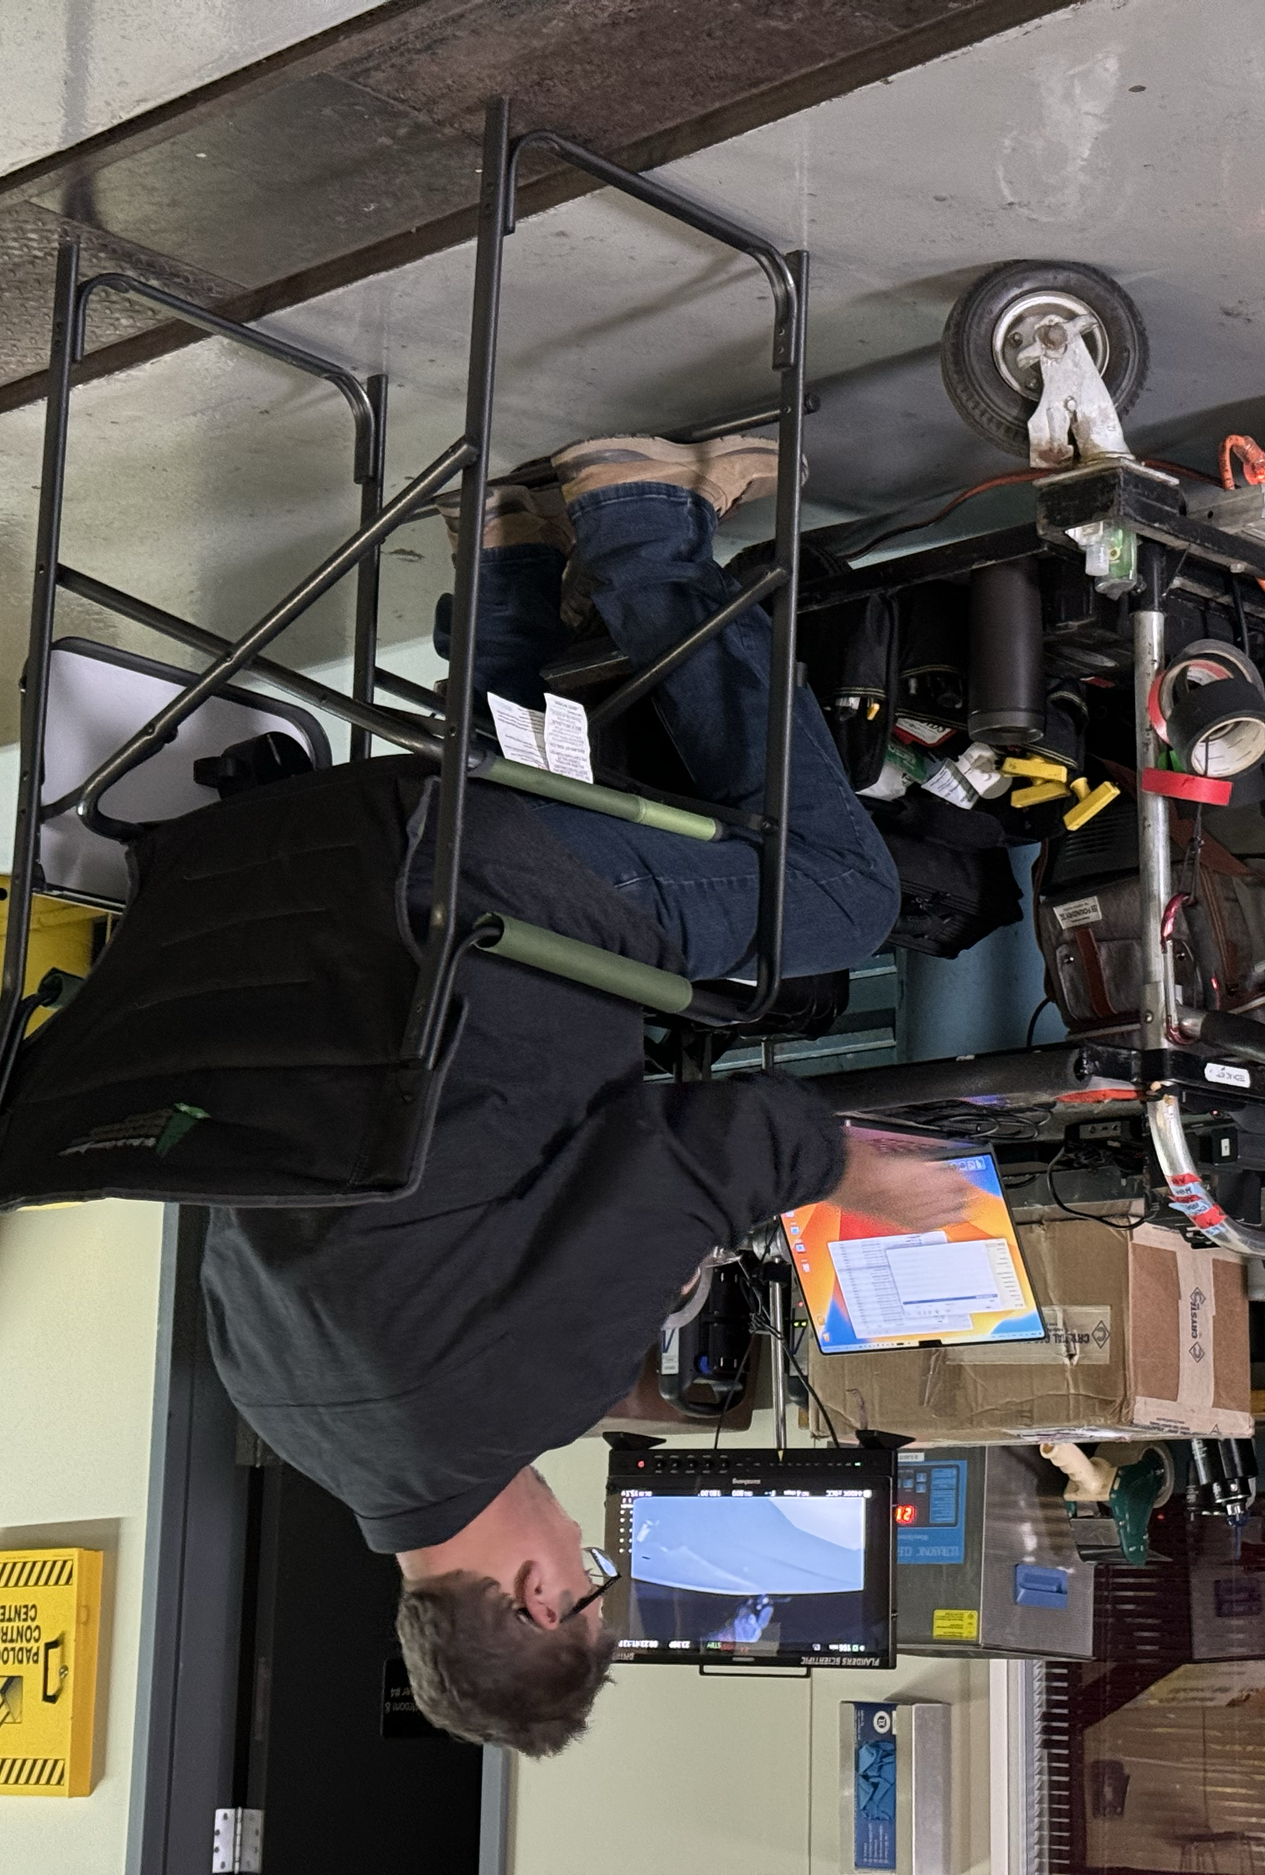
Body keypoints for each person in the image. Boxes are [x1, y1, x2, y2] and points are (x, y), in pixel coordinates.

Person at [199, 433, 975, 1756]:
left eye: (588, 1580)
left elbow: (716, 1141)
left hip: (502, 900)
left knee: (843, 901)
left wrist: (854, 1178)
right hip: (345, 892)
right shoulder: (276, 1403)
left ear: (537, 1595)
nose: (583, 1542)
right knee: (543, 839)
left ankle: (644, 528)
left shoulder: (515, 1396)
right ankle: (506, 555)